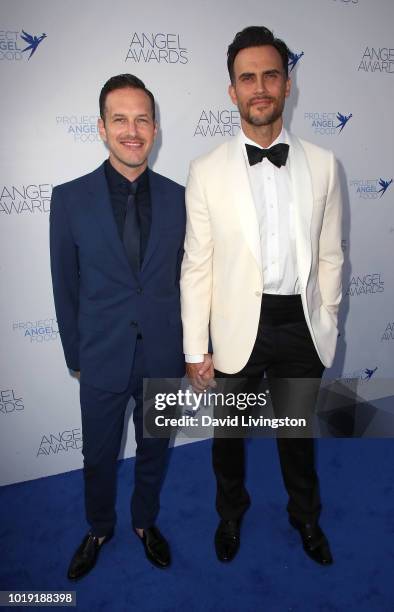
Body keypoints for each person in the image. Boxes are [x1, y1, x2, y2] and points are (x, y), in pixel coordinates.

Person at [181, 27, 343, 566]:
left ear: (288, 84)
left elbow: (330, 254)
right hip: (235, 326)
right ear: (232, 91)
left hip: (300, 321)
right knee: (228, 438)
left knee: (298, 436)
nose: (259, 87)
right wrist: (193, 345)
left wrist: (329, 317)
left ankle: (306, 517)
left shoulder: (324, 164)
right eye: (247, 77)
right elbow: (196, 265)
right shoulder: (205, 171)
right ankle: (231, 514)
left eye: (270, 74)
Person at [50, 74, 185, 579]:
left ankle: (145, 523)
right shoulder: (69, 199)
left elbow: (191, 281)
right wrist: (76, 357)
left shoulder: (180, 198)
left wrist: (198, 349)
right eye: (120, 119)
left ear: (155, 127)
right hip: (101, 357)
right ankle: (100, 526)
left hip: (163, 357)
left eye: (142, 118)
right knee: (98, 457)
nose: (133, 130)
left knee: (155, 450)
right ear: (102, 128)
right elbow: (64, 283)